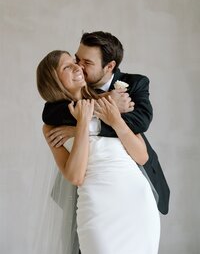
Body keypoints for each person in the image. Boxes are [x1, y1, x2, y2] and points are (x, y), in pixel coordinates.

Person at [37, 50, 160, 254]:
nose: (78, 67)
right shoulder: (51, 127)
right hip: (97, 207)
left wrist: (115, 120)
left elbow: (142, 156)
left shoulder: (110, 103)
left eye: (74, 62)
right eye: (67, 67)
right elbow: (76, 176)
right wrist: (83, 122)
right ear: (54, 82)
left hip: (138, 201)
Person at [42, 31, 170, 215]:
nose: (79, 67)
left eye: (87, 63)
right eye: (78, 59)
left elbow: (139, 122)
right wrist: (104, 101)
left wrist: (83, 128)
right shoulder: (75, 85)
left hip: (134, 182)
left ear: (109, 66)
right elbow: (50, 113)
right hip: (89, 190)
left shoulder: (135, 84)